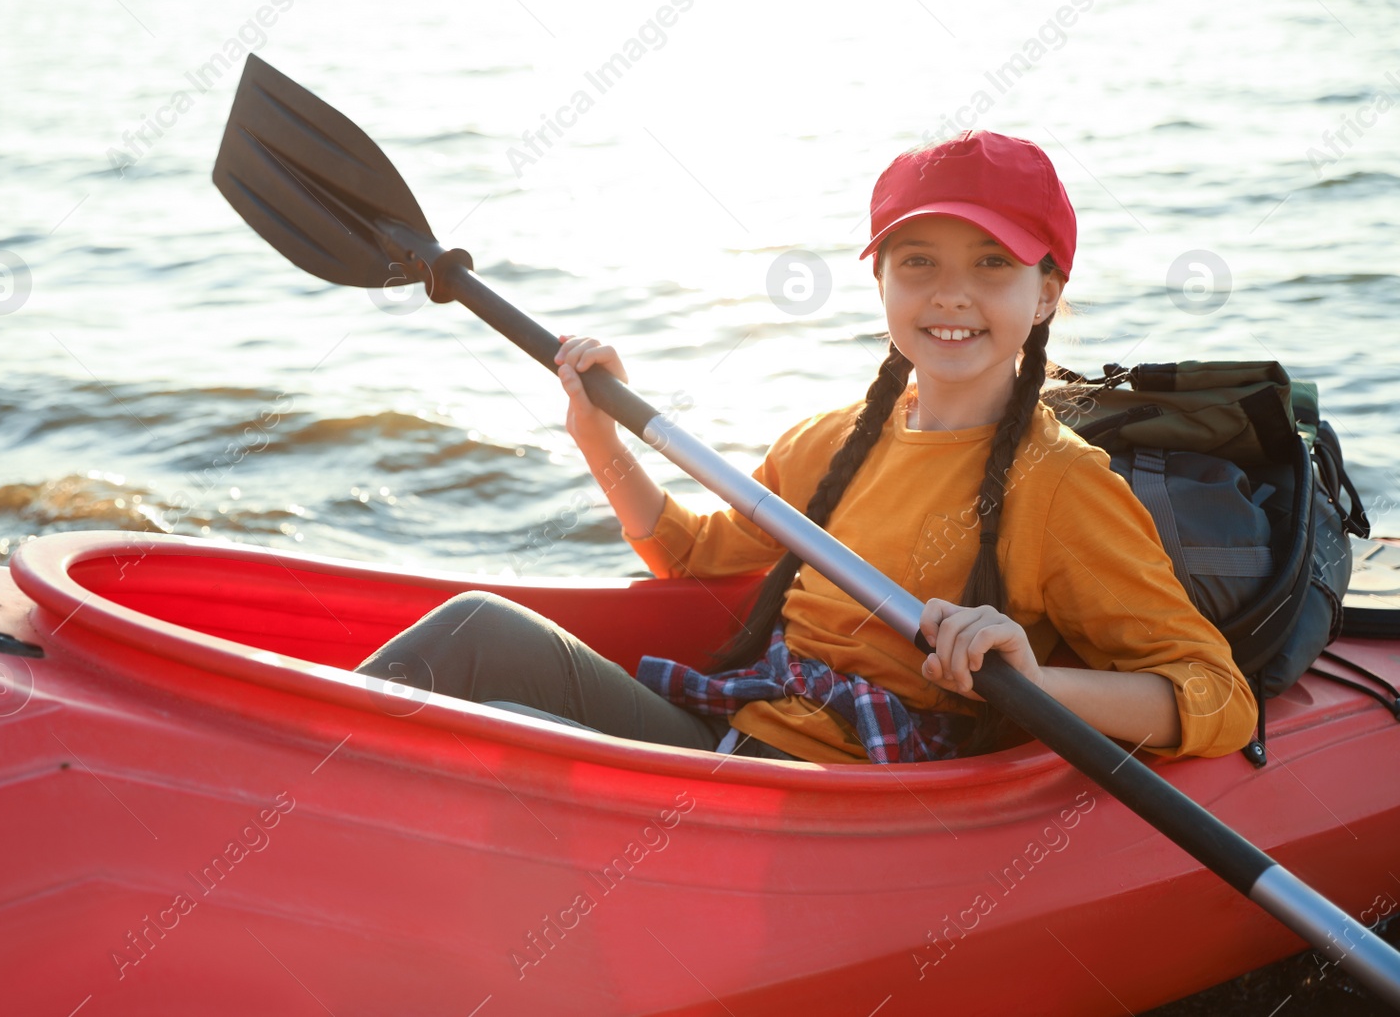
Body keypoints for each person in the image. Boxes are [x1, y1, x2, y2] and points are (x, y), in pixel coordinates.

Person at [355, 130, 1258, 765]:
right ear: (879, 279)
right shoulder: (833, 440)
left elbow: (1215, 695)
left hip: (845, 803)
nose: (951, 294)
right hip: (732, 737)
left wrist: (1032, 673)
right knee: (476, 631)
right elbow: (691, 553)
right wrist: (598, 436)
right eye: (918, 262)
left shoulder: (1060, 484)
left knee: (501, 735)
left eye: (992, 263)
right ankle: (274, 806)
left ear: (1049, 291)